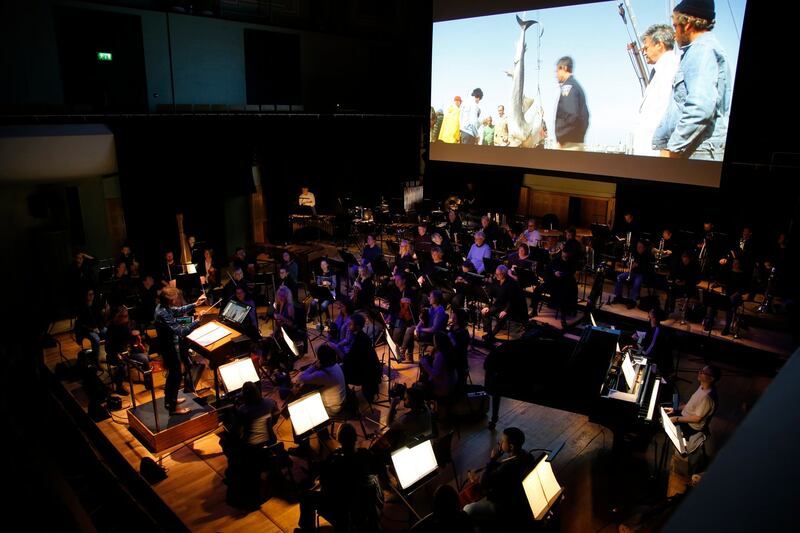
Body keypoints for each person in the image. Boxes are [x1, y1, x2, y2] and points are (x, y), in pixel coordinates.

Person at [654, 0, 731, 160]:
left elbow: (700, 108)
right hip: (696, 148)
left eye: (675, 26)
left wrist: (673, 150)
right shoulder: (706, 48)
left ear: (687, 24)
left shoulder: (701, 50)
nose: (674, 34)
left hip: (695, 151)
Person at [296, 423, 383, 533]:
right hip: (367, 508)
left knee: (305, 496)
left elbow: (326, 489)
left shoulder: (334, 461)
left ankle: (307, 530)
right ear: (355, 438)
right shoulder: (367, 455)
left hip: (343, 512)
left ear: (338, 440)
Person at [463, 427, 533, 525]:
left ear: (511, 447)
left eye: (502, 441)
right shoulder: (527, 456)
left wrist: (492, 459)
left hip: (504, 506)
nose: (499, 443)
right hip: (519, 500)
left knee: (468, 509)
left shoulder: (508, 467)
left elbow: (485, 483)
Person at [154, 287, 206, 415]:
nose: (176, 299)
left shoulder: (162, 307)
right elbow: (181, 331)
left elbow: (177, 311)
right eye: (174, 298)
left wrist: (195, 304)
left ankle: (170, 400)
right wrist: (198, 321)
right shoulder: (163, 313)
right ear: (170, 300)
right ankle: (173, 408)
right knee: (176, 376)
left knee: (173, 375)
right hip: (169, 348)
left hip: (168, 346)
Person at [632, 24, 680, 156]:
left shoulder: (671, 69)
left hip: (659, 154)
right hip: (650, 153)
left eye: (646, 47)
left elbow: (673, 113)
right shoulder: (660, 71)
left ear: (659, 44)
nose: (643, 51)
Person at [104, 304, 152, 395]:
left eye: (126, 316)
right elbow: (108, 348)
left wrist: (136, 341)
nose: (124, 318)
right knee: (123, 367)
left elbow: (133, 342)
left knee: (145, 359)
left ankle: (148, 382)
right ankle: (119, 386)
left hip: (129, 353)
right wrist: (116, 354)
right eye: (122, 316)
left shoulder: (129, 324)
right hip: (115, 354)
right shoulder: (111, 329)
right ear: (116, 316)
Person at [664, 365, 720, 437]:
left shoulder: (707, 398)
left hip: (691, 426)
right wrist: (675, 409)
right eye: (701, 370)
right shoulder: (703, 386)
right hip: (685, 415)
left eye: (703, 372)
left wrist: (676, 419)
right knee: (663, 409)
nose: (699, 372)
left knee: (658, 423)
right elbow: (691, 405)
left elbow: (697, 419)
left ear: (711, 379)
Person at [481, 265, 528, 342]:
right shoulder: (496, 280)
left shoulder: (511, 283)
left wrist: (505, 310)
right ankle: (490, 334)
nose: (496, 275)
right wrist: (487, 306)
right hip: (498, 304)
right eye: (496, 273)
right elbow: (490, 295)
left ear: (504, 274)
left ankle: (491, 336)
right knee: (484, 312)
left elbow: (511, 300)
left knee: (502, 317)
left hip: (509, 307)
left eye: (498, 274)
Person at [554, 56, 589, 150]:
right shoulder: (577, 86)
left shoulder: (568, 87)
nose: (556, 74)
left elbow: (572, 115)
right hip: (576, 143)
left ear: (564, 68)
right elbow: (586, 116)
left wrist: (562, 138)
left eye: (557, 71)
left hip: (568, 145)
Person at [419, 331, 458, 399]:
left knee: (419, 389)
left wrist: (424, 362)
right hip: (452, 384)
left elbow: (435, 374)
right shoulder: (450, 350)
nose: (434, 343)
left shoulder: (440, 355)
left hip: (442, 389)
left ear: (438, 342)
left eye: (434, 341)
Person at [613, 240, 652, 309]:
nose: (638, 248)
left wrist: (637, 265)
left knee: (637, 283)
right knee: (619, 277)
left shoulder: (647, 255)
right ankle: (618, 296)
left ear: (644, 248)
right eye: (637, 246)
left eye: (640, 247)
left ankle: (633, 301)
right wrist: (628, 263)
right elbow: (630, 262)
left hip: (641, 274)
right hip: (632, 272)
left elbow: (646, 268)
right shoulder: (635, 253)